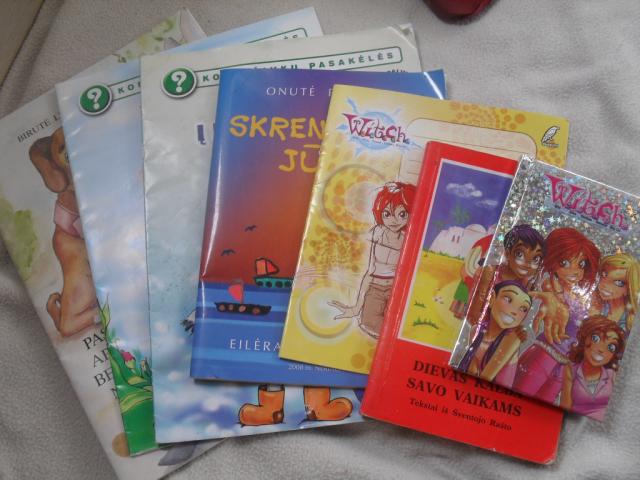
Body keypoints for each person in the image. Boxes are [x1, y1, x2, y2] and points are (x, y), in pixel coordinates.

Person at [513, 227, 601, 403]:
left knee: (540, 409)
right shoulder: (551, 285)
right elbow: (546, 291)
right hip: (545, 354)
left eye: (581, 264)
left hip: (567, 364)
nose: (575, 271)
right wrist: (552, 301)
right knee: (518, 398)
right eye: (565, 263)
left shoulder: (582, 296)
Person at [328, 182, 416, 338]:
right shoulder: (377, 233)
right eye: (387, 214)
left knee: (399, 326)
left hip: (397, 288)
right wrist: (357, 307)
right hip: (375, 287)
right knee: (368, 323)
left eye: (402, 214)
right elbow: (370, 270)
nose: (393, 220)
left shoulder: (409, 238)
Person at [457, 280, 532, 387]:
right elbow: (471, 369)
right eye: (508, 299)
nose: (514, 311)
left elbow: (486, 378)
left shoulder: (513, 338)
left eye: (523, 308)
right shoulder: (476, 331)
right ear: (492, 298)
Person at [466, 224, 544, 325]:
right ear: (507, 253)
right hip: (480, 325)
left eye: (536, 259)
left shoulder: (525, 285)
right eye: (520, 254)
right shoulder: (490, 272)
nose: (527, 264)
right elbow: (475, 311)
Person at [560, 315, 625, 421]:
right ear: (584, 338)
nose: (601, 350)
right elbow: (564, 408)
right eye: (596, 338)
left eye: (611, 347)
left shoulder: (612, 375)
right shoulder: (571, 370)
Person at [590, 253, 639, 334]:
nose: (605, 285)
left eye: (619, 282)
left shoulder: (631, 318)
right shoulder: (597, 305)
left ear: (629, 289)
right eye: (604, 275)